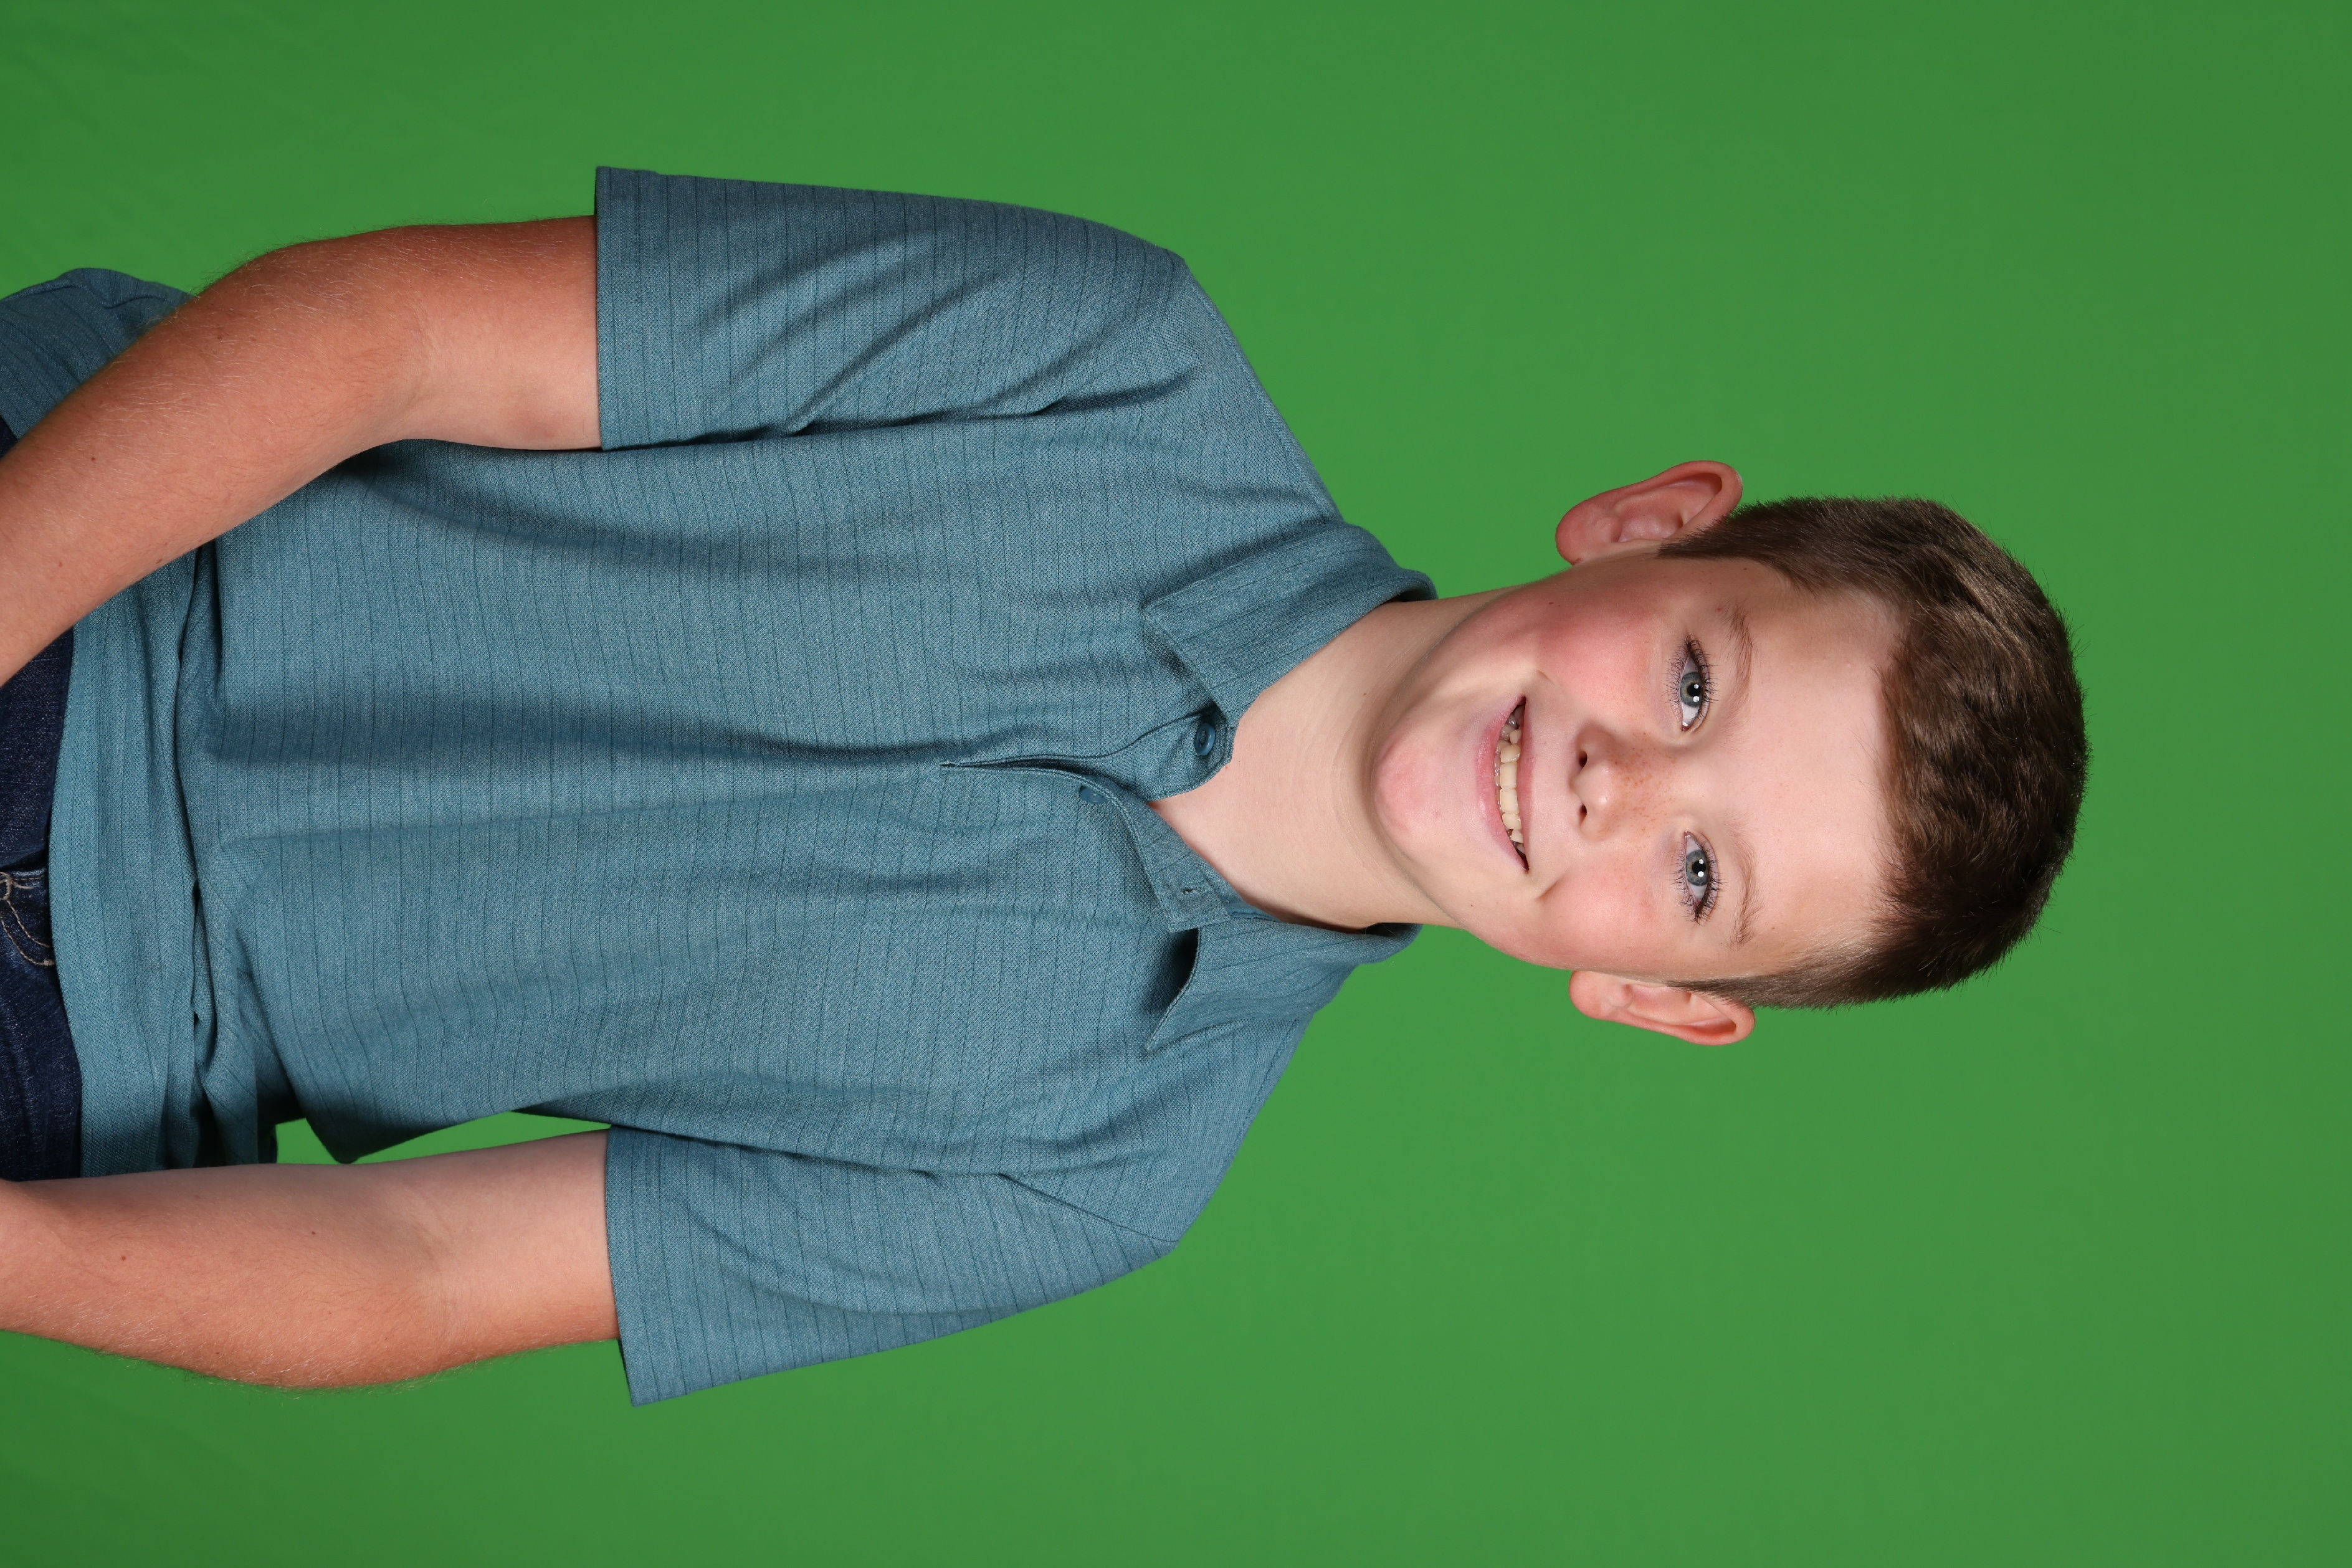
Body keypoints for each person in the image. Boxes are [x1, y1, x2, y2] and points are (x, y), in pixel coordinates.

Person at [0, 169, 2086, 1403]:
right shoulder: (1110, 356)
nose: (1625, 783)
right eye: (1696, 679)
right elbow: (384, 330)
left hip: (77, 1059)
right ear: (1650, 525)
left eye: (1705, 876)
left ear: (1651, 997)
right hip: (78, 547)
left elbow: (426, 1271)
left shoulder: (1099, 1171)